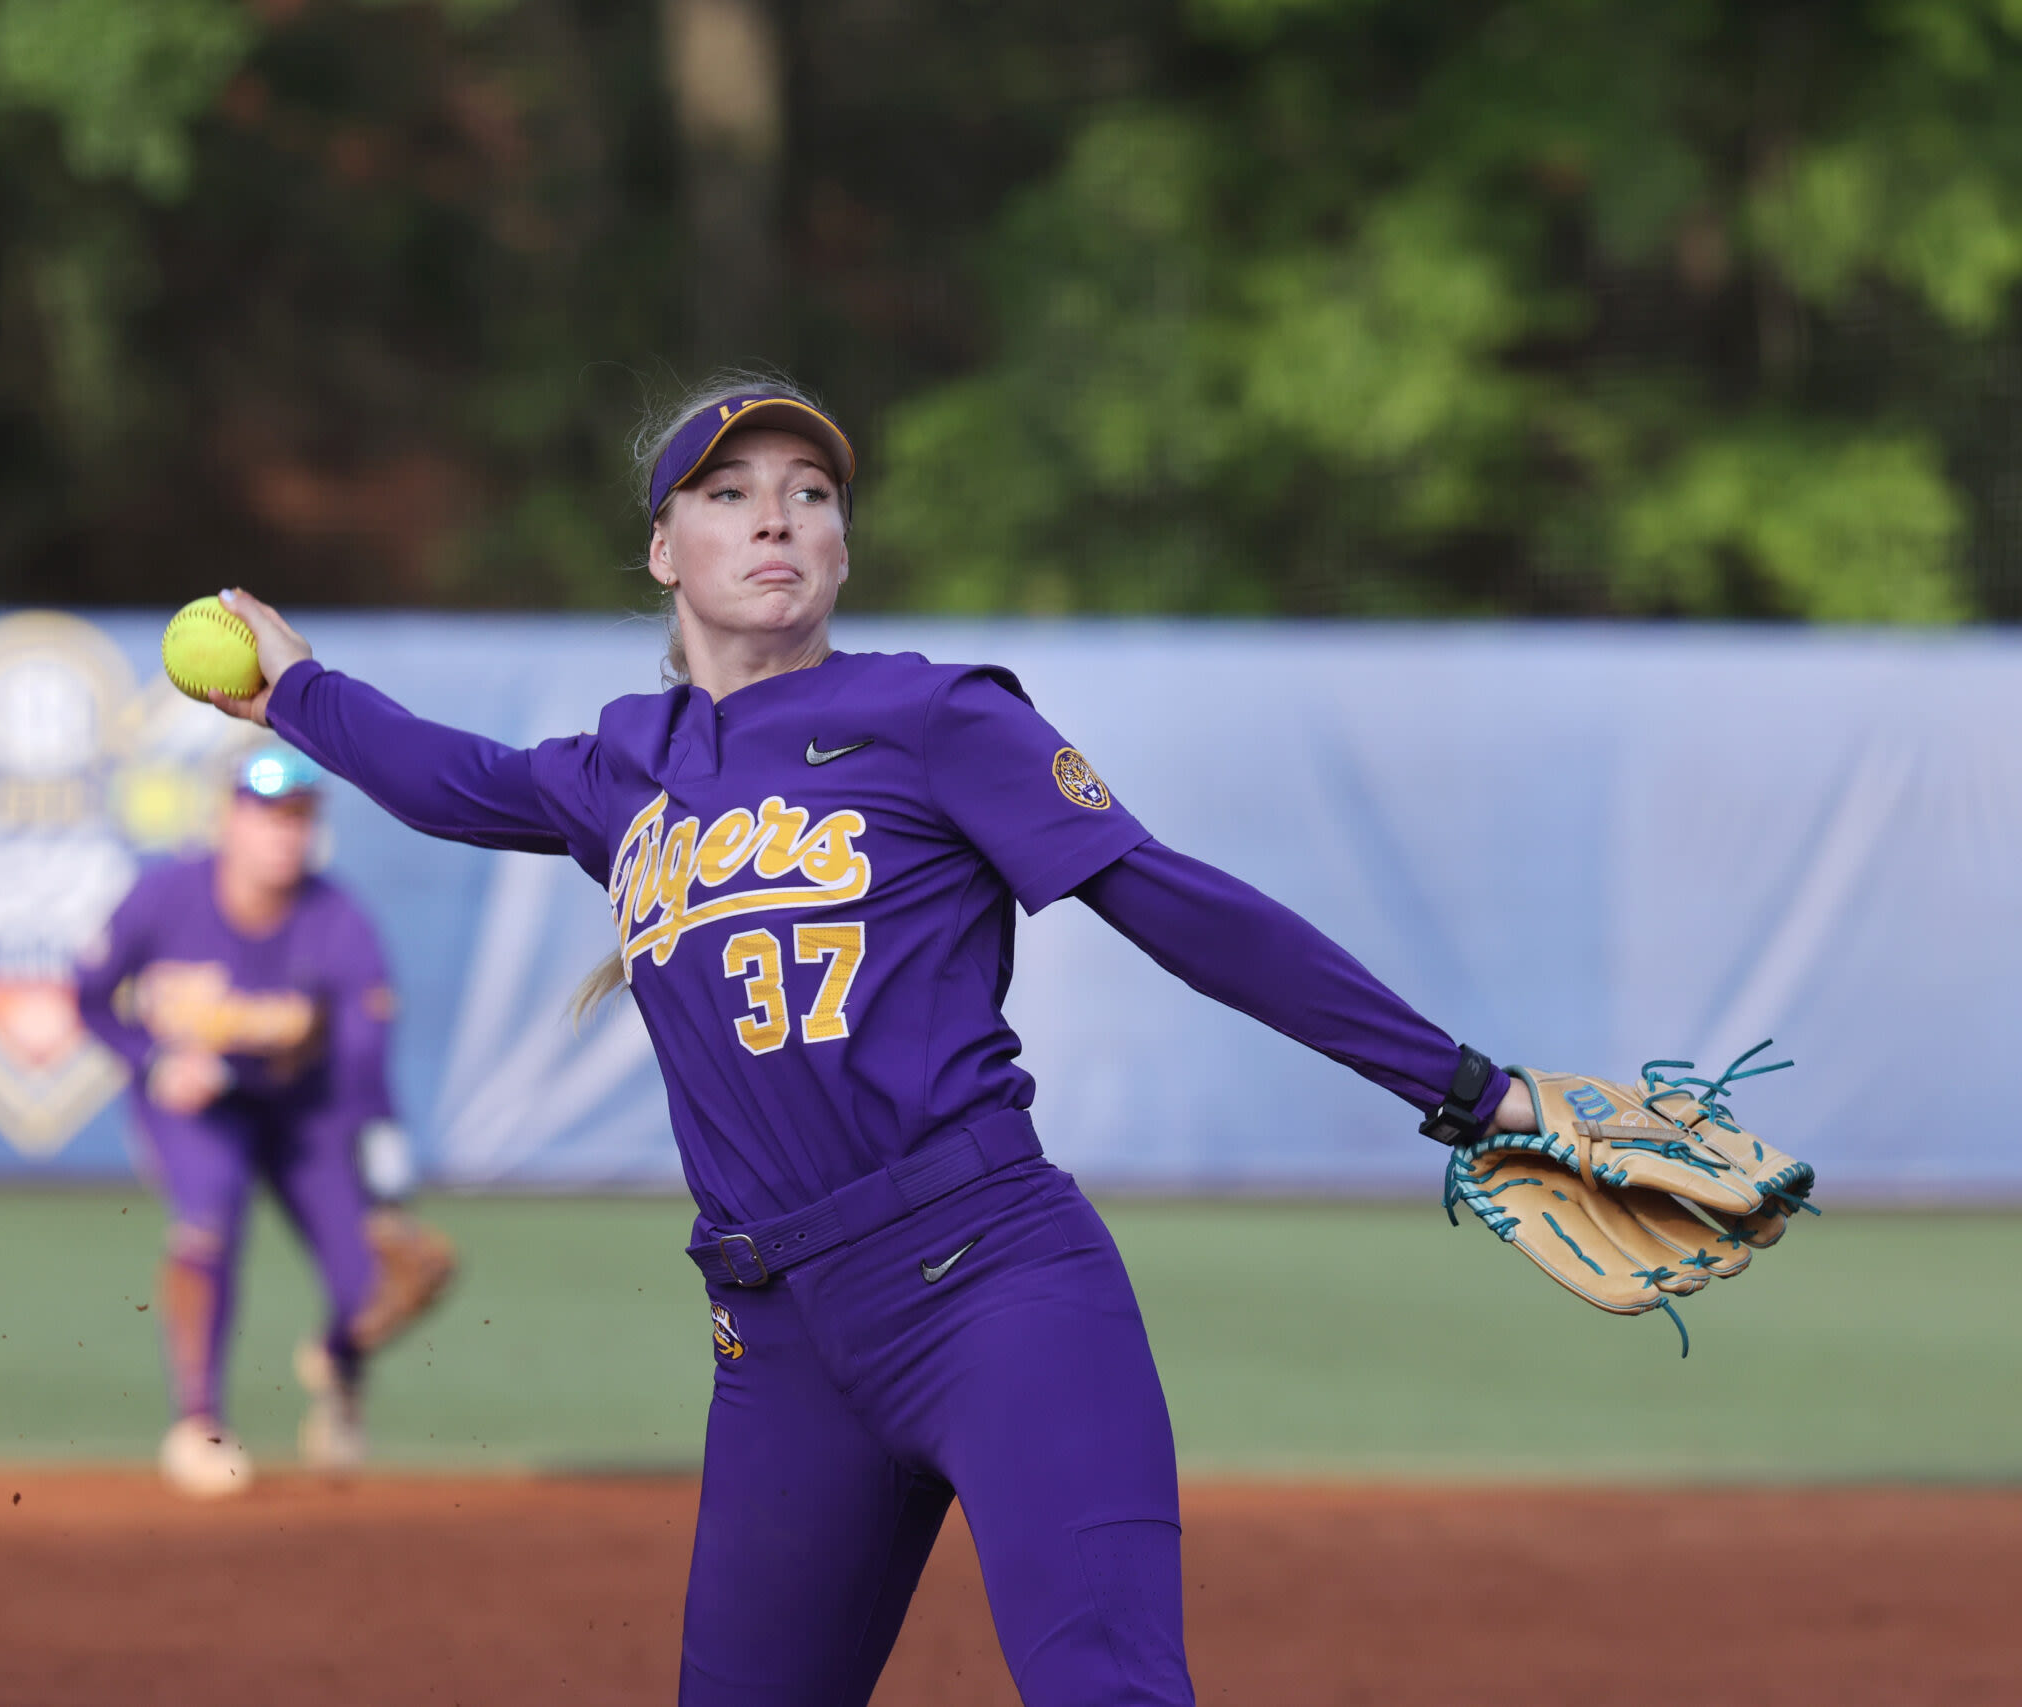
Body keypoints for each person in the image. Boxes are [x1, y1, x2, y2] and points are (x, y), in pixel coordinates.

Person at [200, 375, 1537, 1702]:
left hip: (996, 1287)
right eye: (728, 495)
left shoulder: (937, 717)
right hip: (775, 1346)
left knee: (1107, 1690)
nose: (774, 518)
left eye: (809, 493)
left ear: (842, 545)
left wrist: (1473, 1089)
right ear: (667, 550)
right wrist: (298, 691)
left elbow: (1181, 906)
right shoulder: (624, 768)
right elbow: (457, 779)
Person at [76, 743, 456, 1497]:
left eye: (299, 818)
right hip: (198, 1106)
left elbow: (364, 1066)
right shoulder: (164, 897)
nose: (285, 833)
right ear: (227, 819)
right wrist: (153, 1060)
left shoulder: (337, 920)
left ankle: (340, 1366)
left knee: (371, 1283)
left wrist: (385, 1192)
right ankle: (198, 1422)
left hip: (303, 1112)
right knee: (208, 1211)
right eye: (267, 816)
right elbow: (90, 998)